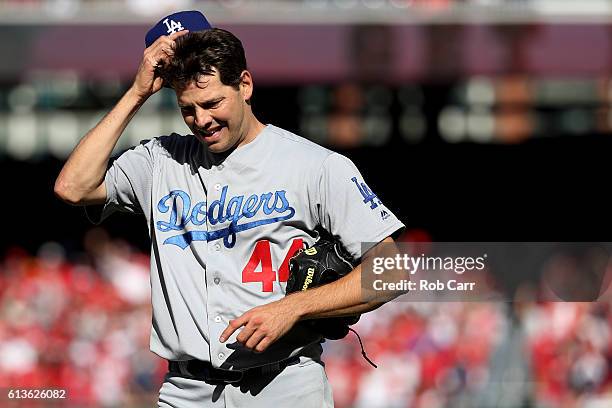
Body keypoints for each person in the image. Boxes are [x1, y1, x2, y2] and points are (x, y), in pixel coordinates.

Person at [54, 10, 404, 408]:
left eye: (212, 102)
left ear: (245, 84)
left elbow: (391, 271)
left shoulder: (316, 166)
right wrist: (136, 93)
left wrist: (294, 307)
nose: (201, 120)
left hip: (283, 384)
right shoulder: (160, 162)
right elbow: (72, 187)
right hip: (186, 390)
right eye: (188, 108)